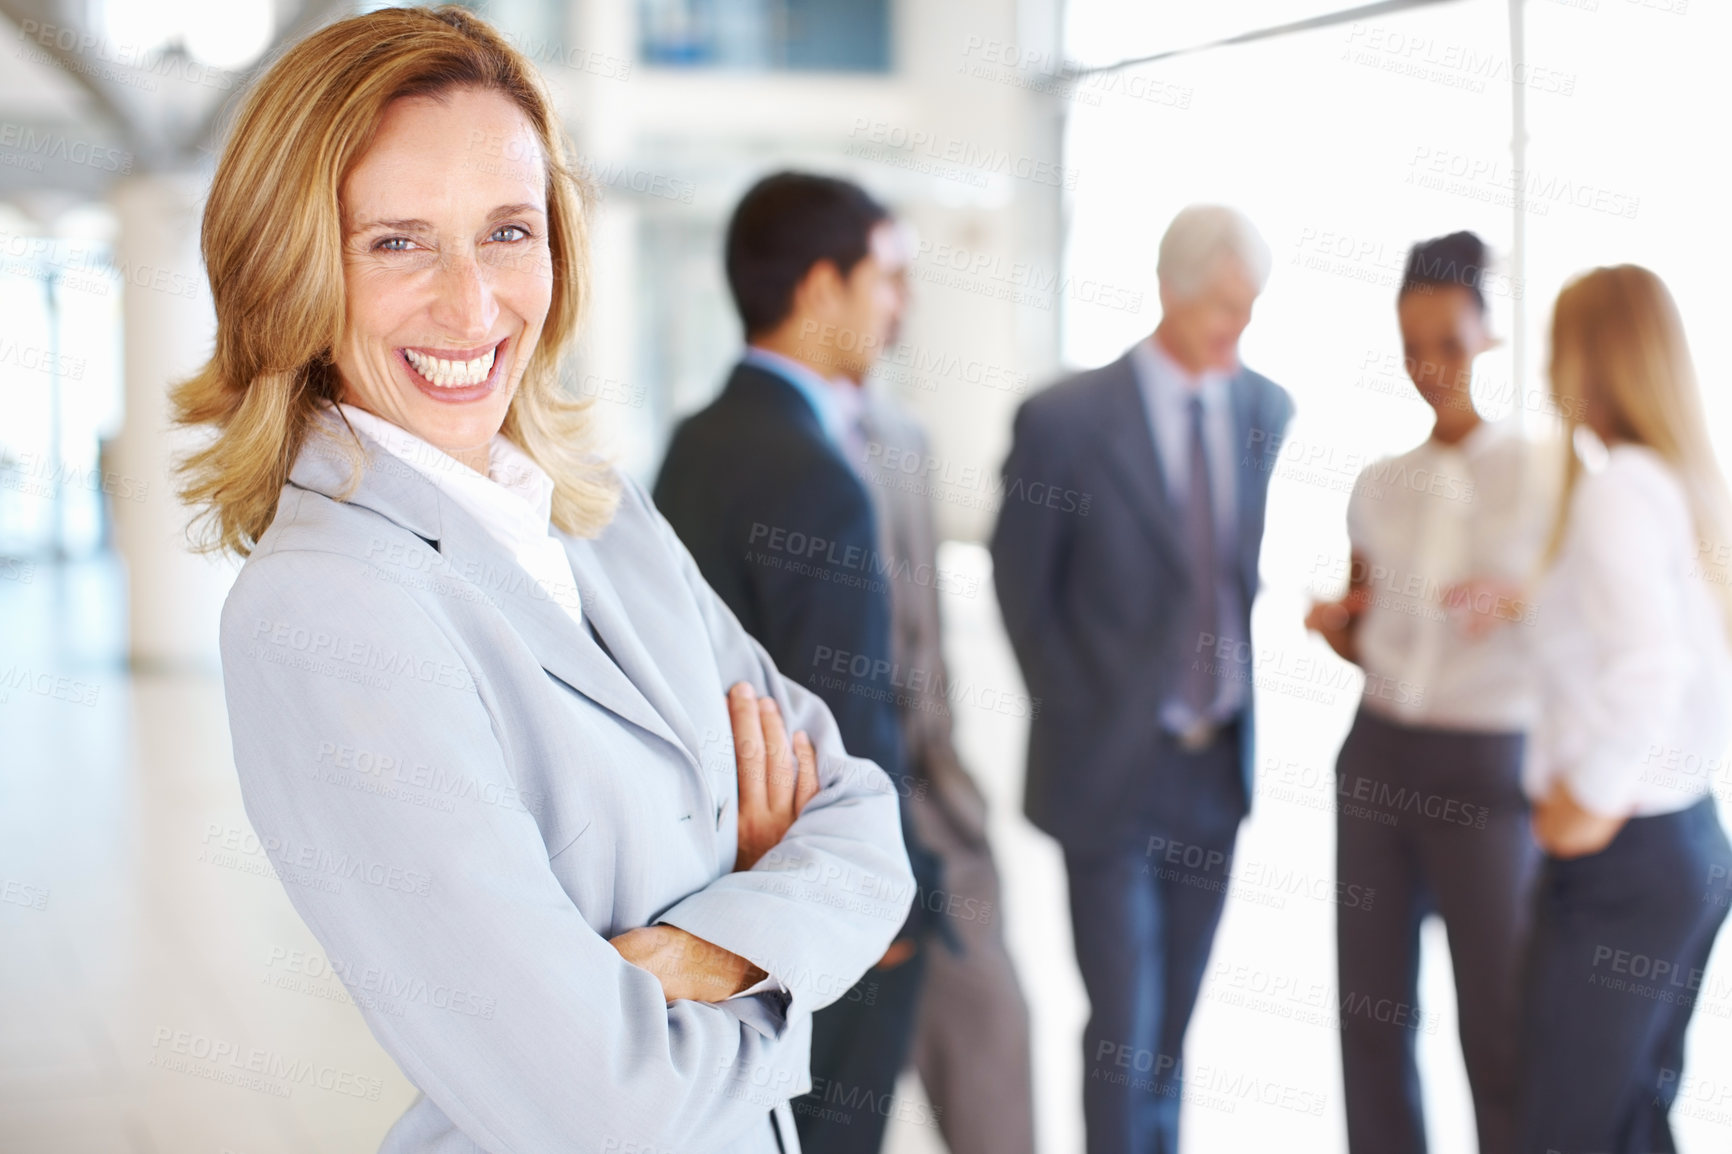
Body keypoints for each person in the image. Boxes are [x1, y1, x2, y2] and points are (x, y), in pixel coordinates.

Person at [172, 10, 912, 1153]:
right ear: (293, 271)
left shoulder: (597, 510)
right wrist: (782, 935)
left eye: (507, 231)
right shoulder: (324, 609)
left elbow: (865, 824)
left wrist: (705, 953)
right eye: (397, 242)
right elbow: (602, 1098)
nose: (472, 306)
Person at [991, 204, 1294, 1154]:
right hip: (1111, 770)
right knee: (1124, 1028)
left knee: (1170, 1034)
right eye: (1221, 307)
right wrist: (1083, 712)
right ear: (1168, 290)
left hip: (1215, 769)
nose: (1237, 330)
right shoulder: (1067, 421)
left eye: (1251, 309)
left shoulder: (1263, 410)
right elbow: (1021, 590)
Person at [652, 172, 942, 1154]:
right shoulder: (818, 478)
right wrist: (883, 898)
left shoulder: (693, 442)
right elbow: (851, 708)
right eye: (887, 280)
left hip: (715, 874)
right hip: (809, 899)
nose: (897, 307)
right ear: (822, 289)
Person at [1305, 232, 1552, 1154]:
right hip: (1376, 758)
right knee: (1371, 1022)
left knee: (1498, 1023)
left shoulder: (1542, 474)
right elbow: (1370, 634)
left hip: (1489, 767)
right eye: (1412, 347)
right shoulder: (1379, 484)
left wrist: (1519, 599)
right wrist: (1342, 628)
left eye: (1449, 342)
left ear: (1489, 333)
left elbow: (1587, 616)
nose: (1430, 368)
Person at [1518, 265, 1732, 1154]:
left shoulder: (1615, 492)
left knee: (1564, 1130)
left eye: (1556, 348)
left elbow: (1651, 668)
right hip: (1684, 843)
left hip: (1624, 855)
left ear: (1590, 360)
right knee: (1628, 1119)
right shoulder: (1675, 486)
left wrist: (1583, 806)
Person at [854, 329, 1038, 1154]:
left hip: (935, 800)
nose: (902, 309)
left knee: (992, 1048)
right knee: (845, 1088)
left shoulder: (904, 438)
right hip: (833, 820)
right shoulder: (767, 452)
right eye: (886, 280)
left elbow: (926, 638)